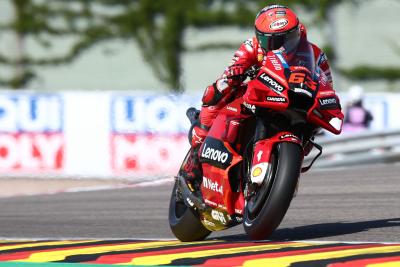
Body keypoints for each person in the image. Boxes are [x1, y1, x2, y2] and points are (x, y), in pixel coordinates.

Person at [181, 4, 334, 182]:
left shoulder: (316, 55)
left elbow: (327, 85)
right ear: (260, 37)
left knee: (313, 129)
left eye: (287, 39)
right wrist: (233, 75)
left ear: (297, 33)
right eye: (273, 42)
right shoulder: (252, 47)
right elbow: (232, 69)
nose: (280, 47)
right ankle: (195, 153)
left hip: (293, 100)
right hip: (258, 95)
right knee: (215, 95)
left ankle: (281, 173)